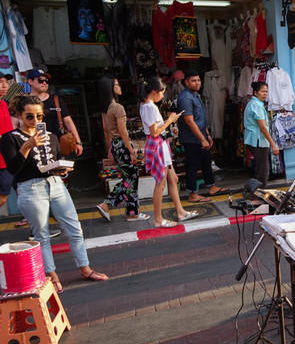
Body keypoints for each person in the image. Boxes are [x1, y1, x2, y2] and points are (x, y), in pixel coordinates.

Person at [0, 95, 108, 293]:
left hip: (56, 185)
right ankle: (52, 275)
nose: (35, 121)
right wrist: (27, 146)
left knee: (75, 228)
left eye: (39, 116)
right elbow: (13, 168)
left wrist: (62, 170)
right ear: (19, 115)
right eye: (29, 117)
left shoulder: (50, 136)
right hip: (30, 188)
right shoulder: (10, 138)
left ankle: (85, 269)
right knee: (42, 235)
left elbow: (57, 160)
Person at [140, 77, 199, 228]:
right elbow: (154, 132)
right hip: (158, 144)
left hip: (160, 144)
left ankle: (180, 212)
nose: (163, 96)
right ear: (154, 92)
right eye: (162, 93)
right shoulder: (150, 107)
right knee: (161, 183)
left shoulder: (146, 105)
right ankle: (158, 219)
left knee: (173, 179)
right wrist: (170, 120)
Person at [96, 76, 148, 223]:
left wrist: (110, 148)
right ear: (111, 88)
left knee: (129, 178)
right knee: (131, 178)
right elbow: (123, 131)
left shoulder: (105, 109)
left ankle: (131, 212)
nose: (120, 87)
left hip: (115, 145)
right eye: (117, 85)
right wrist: (131, 151)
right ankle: (109, 205)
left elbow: (106, 131)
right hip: (123, 145)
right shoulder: (118, 108)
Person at [176, 70, 226, 203]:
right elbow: (189, 121)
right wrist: (202, 139)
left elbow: (200, 119)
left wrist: (207, 135)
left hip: (201, 136)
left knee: (206, 161)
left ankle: (212, 187)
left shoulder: (196, 95)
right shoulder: (185, 98)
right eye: (193, 81)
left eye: (198, 80)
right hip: (192, 138)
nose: (197, 83)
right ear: (186, 82)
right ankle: (193, 194)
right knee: (193, 165)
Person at [27, 68, 84, 156]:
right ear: (30, 82)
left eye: (46, 80)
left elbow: (68, 121)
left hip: (56, 144)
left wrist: (78, 142)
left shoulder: (56, 100)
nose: (44, 83)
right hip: (33, 145)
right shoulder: (24, 101)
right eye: (40, 80)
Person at [243, 81, 279, 188]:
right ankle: (259, 193)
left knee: (260, 168)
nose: (265, 94)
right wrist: (273, 144)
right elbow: (263, 127)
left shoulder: (253, 103)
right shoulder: (257, 105)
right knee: (263, 170)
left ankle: (255, 192)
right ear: (255, 93)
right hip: (258, 141)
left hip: (253, 140)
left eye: (266, 92)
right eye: (262, 91)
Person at [0, 73, 14, 209]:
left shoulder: (4, 104)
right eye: (0, 82)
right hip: (1, 161)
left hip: (9, 158)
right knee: (2, 198)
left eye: (6, 82)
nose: (5, 86)